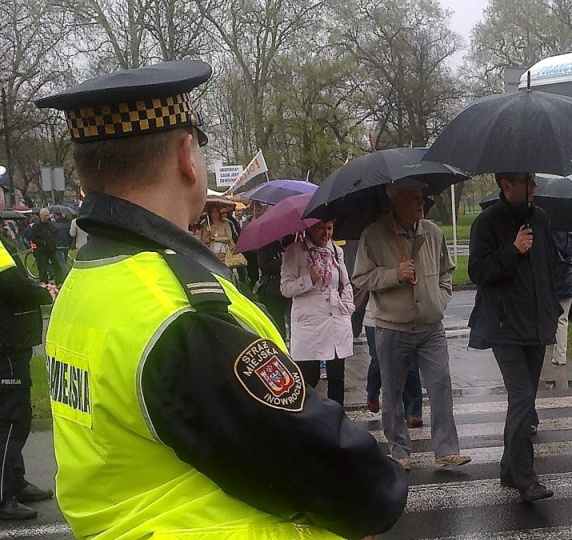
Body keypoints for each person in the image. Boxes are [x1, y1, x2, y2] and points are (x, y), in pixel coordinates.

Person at [36, 60, 406, 539]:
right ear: (186, 156)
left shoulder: (84, 282)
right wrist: (377, 496)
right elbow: (313, 457)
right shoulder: (181, 311)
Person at [353, 178, 470, 472]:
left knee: (441, 385)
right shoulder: (374, 235)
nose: (422, 202)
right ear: (395, 201)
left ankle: (446, 451)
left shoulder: (432, 232)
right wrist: (395, 274)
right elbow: (361, 279)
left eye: (422, 196)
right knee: (392, 391)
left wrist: (439, 300)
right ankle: (399, 450)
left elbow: (446, 272)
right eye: (414, 197)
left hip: (431, 327)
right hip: (393, 327)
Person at [468, 172, 561, 502]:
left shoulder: (540, 218)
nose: (534, 186)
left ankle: (509, 468)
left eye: (533, 179)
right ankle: (526, 477)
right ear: (506, 185)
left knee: (524, 400)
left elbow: (549, 267)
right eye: (527, 181)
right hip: (505, 327)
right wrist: (513, 249)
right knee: (521, 397)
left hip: (536, 326)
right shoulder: (487, 223)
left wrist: (552, 310)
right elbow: (477, 272)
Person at [0, 179, 56, 520]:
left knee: (12, 416)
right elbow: (9, 285)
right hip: (5, 343)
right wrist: (40, 293)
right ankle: (4, 493)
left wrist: (35, 285)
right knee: (11, 419)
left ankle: (15, 481)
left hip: (10, 340)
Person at [280, 219, 355, 404]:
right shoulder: (295, 251)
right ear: (309, 228)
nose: (326, 234)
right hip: (310, 327)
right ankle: (308, 420)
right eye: (321, 228)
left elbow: (345, 283)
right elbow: (286, 288)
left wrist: (348, 304)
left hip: (336, 321)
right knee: (309, 379)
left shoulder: (336, 251)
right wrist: (309, 278)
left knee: (337, 377)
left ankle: (338, 421)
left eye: (329, 228)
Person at [546, 230, 572, 366]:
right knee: (563, 320)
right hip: (566, 281)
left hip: (549, 283)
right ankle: (560, 355)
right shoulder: (569, 237)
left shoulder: (547, 236)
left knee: (545, 318)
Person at [31, 208, 62, 285]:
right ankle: (44, 284)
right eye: (45, 216)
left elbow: (54, 233)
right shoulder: (36, 226)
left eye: (48, 215)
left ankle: (59, 282)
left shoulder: (50, 224)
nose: (47, 217)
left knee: (57, 265)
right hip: (41, 251)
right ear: (40, 216)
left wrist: (54, 242)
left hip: (51, 249)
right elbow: (33, 238)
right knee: (43, 269)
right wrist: (43, 242)